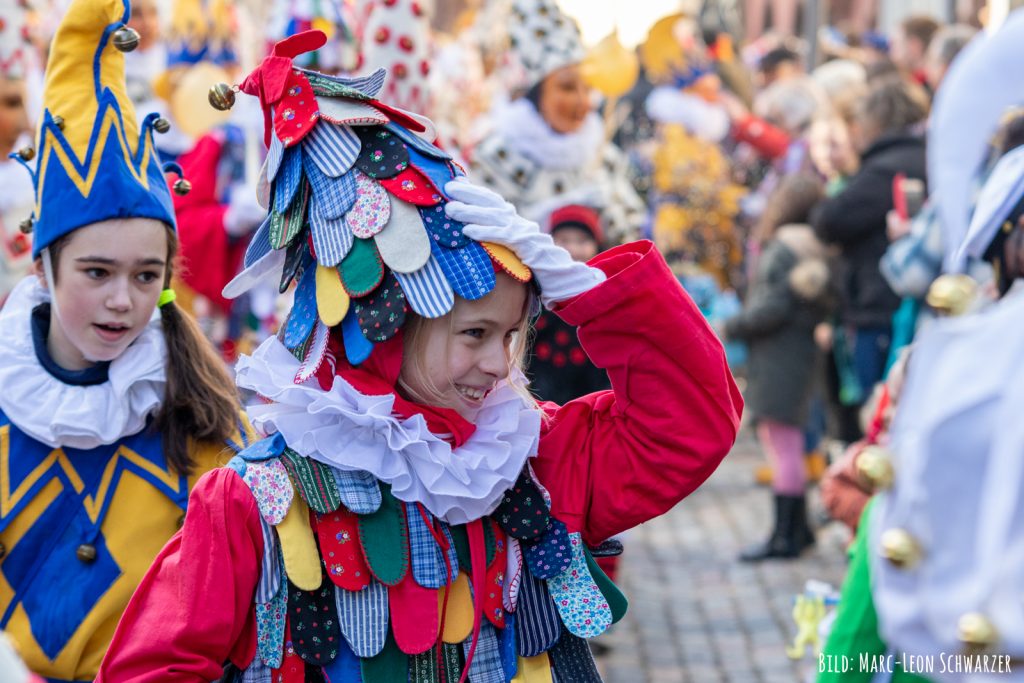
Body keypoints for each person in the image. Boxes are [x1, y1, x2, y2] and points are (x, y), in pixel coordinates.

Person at [96, 27, 743, 682]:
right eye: (474, 334)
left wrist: (595, 293)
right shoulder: (251, 499)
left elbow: (690, 428)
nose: (499, 365)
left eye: (512, 336)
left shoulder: (529, 458)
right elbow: (148, 666)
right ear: (389, 326)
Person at [0, 0, 248, 678]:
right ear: (44, 267)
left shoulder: (205, 417)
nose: (122, 299)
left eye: (146, 274)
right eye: (96, 271)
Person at [471, 0, 645, 245]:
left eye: (587, 88)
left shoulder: (602, 156)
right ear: (536, 94)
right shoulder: (495, 158)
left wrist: (608, 215)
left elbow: (633, 239)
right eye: (567, 87)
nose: (582, 101)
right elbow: (482, 241)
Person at [724, 174, 831, 561]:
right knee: (790, 443)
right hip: (798, 354)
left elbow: (773, 308)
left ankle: (784, 537)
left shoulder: (784, 247)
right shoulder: (815, 245)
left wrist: (733, 325)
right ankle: (799, 530)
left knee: (782, 444)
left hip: (778, 356)